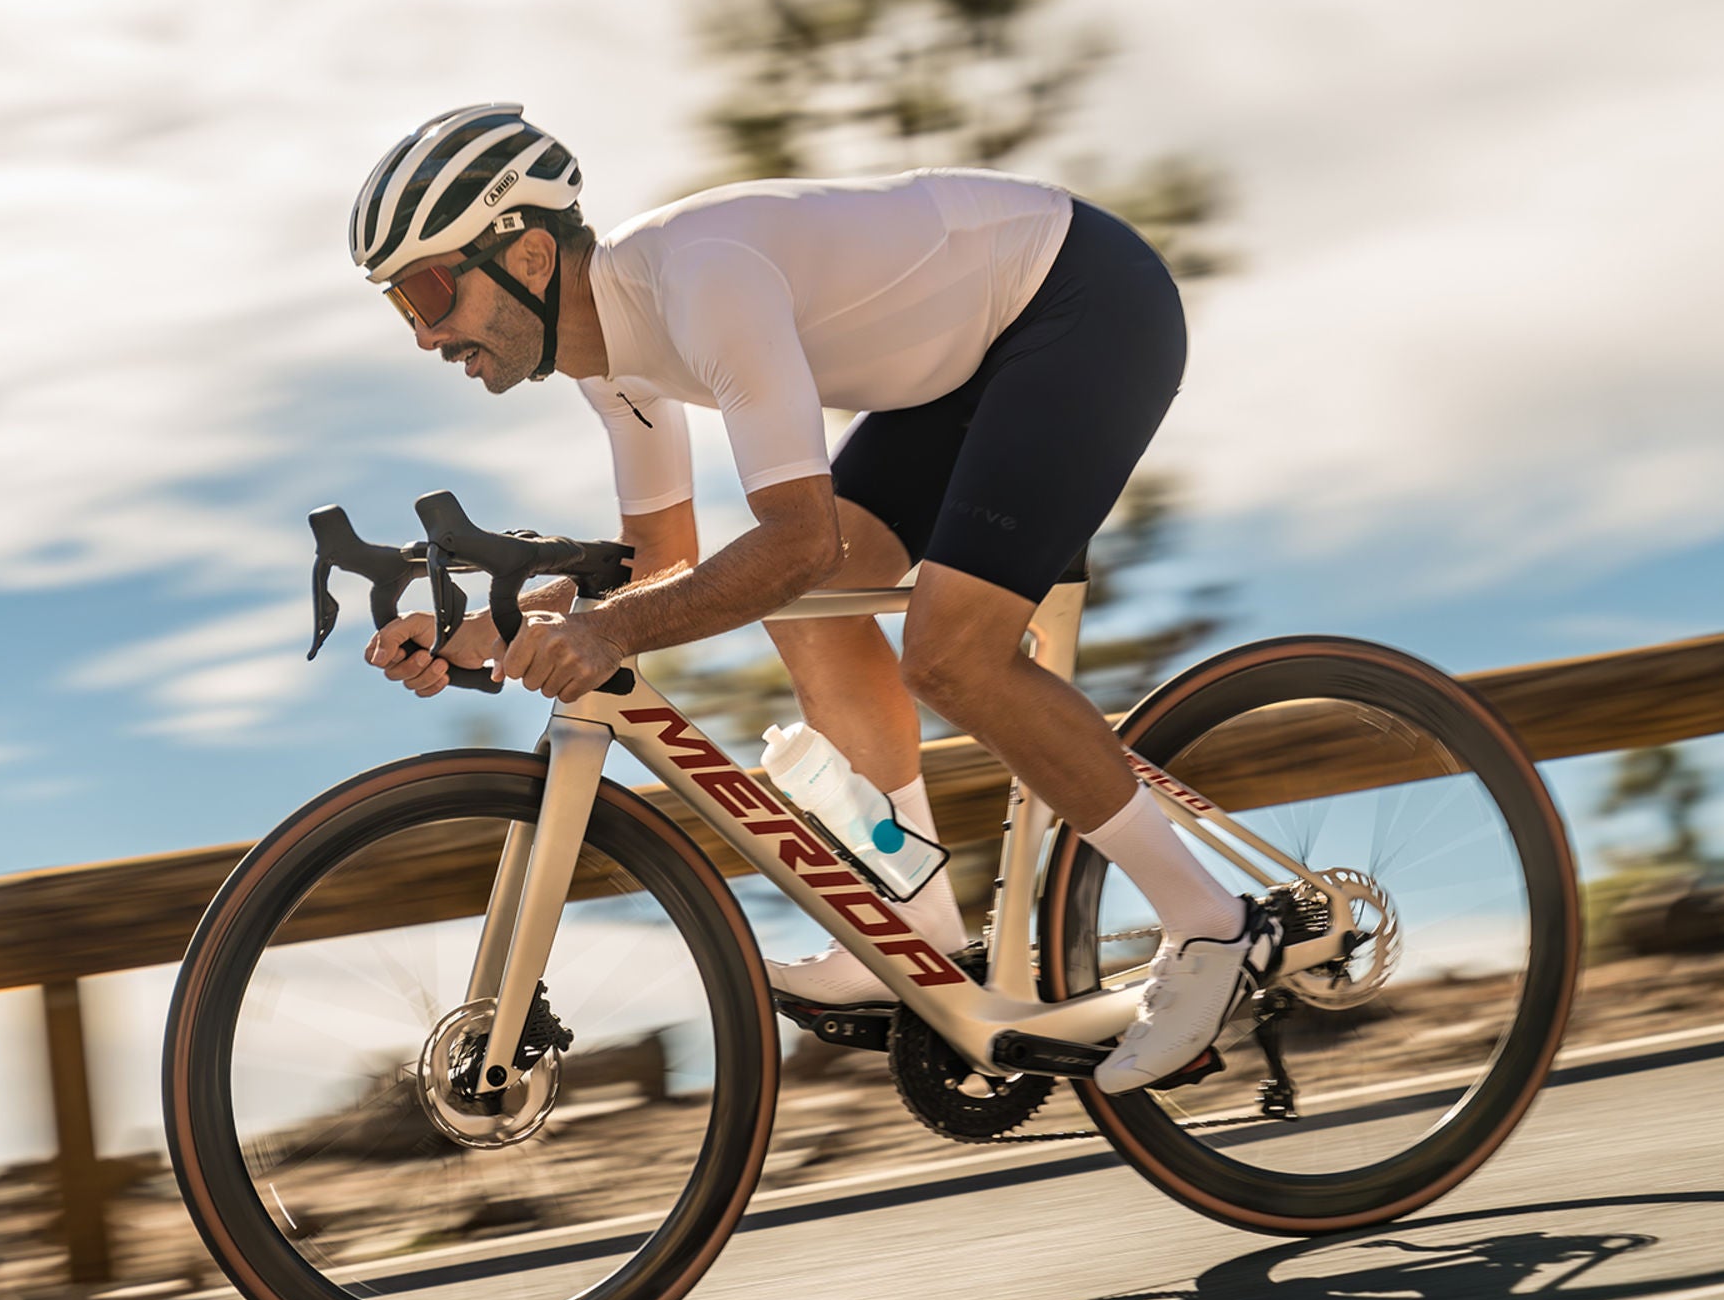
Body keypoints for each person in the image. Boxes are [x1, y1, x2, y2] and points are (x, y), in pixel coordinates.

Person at [352, 103, 1279, 1093]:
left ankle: (1215, 925)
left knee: (949, 652)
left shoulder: (698, 279)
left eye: (429, 289)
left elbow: (792, 539)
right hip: (964, 361)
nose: (424, 333)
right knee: (812, 600)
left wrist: (603, 626)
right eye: (402, 306)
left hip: (1079, 301)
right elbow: (663, 560)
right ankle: (914, 919)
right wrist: (486, 630)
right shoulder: (609, 367)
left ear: (527, 257)